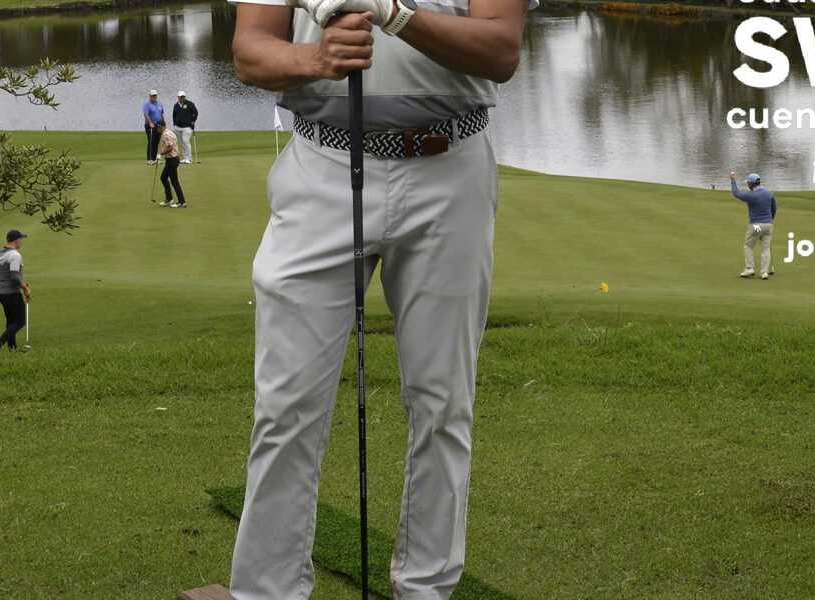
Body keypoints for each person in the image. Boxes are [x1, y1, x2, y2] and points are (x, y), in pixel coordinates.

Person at [226, 0, 534, 596]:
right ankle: (266, 592)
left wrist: (395, 15)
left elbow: (501, 50)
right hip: (322, 166)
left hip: (450, 169)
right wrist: (317, 58)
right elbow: (249, 51)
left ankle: (424, 589)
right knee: (286, 403)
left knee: (443, 402)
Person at [0, 229, 31, 355]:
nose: (21, 241)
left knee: (11, 322)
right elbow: (14, 276)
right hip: (12, 293)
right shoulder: (15, 255)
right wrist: (25, 287)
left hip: (1, 292)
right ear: (17, 240)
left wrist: (6, 282)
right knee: (20, 322)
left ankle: (13, 350)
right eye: (21, 239)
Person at [730, 171, 777, 280]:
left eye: (748, 183)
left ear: (752, 184)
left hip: (756, 225)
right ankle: (764, 272)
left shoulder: (750, 195)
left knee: (748, 245)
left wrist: (733, 180)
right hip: (768, 225)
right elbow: (774, 208)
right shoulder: (769, 193)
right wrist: (770, 220)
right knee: (765, 248)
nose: (747, 185)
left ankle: (749, 268)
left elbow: (736, 193)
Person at [155, 120, 186, 208]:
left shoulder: (166, 135)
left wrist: (161, 154)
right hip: (173, 159)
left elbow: (170, 148)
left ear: (161, 127)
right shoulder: (170, 132)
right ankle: (169, 198)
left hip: (172, 160)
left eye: (157, 128)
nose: (157, 129)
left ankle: (181, 202)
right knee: (163, 178)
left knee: (174, 181)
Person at [172, 91, 199, 164]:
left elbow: (196, 113)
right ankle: (185, 158)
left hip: (187, 127)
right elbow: (174, 115)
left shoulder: (190, 104)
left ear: (185, 96)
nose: (182, 98)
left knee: (185, 141)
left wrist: (193, 121)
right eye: (181, 96)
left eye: (183, 96)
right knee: (181, 143)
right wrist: (174, 123)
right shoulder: (176, 105)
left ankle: (189, 159)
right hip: (177, 127)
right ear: (178, 97)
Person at [143, 90, 165, 165]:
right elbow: (146, 115)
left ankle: (154, 158)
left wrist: (163, 124)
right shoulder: (147, 104)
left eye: (155, 95)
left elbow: (161, 114)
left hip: (158, 126)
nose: (154, 97)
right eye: (152, 95)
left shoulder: (159, 103)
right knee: (151, 142)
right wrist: (150, 123)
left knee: (156, 142)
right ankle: (149, 159)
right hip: (150, 126)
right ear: (150, 96)